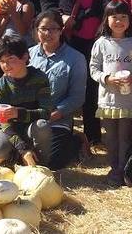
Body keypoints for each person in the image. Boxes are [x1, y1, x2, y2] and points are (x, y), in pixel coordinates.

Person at [40, 0, 110, 146]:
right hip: (67, 37)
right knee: (65, 84)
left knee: (92, 85)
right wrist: (59, 17)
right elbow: (46, 0)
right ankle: (61, 131)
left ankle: (93, 134)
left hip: (95, 38)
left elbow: (107, 0)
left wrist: (105, 21)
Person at [90, 0, 132, 184]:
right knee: (110, 137)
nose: (119, 21)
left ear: (130, 20)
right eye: (114, 17)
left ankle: (123, 168)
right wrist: (107, 79)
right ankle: (113, 166)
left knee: (125, 136)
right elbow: (93, 69)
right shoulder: (101, 44)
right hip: (107, 99)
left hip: (128, 100)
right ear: (106, 20)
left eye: (123, 17)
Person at [28, 11, 87, 169]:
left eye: (53, 29)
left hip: (58, 119)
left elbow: (77, 97)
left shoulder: (76, 58)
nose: (48, 33)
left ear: (61, 30)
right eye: (43, 29)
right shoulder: (27, 55)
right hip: (29, 118)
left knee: (52, 163)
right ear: (36, 30)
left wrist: (53, 115)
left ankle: (76, 140)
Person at [0, 35, 54, 167]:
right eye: (2, 61)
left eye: (11, 59)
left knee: (42, 126)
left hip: (32, 128)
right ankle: (15, 160)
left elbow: (46, 113)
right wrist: (22, 148)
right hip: (10, 130)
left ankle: (42, 165)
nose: (6, 65)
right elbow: (4, 124)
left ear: (24, 57)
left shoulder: (40, 78)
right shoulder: (0, 86)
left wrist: (18, 113)